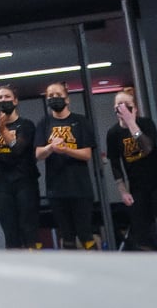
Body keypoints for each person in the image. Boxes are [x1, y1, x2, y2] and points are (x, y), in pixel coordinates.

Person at [104, 86, 157, 252]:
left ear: (134, 107)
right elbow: (115, 163)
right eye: (118, 104)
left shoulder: (146, 123)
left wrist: (131, 122)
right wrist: (123, 191)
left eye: (125, 103)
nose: (121, 107)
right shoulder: (113, 133)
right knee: (141, 231)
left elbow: (148, 147)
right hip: (136, 186)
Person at [35, 80, 97, 250]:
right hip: (56, 189)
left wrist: (66, 149)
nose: (54, 98)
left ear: (67, 99)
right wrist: (51, 147)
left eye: (58, 95)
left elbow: (86, 155)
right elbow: (38, 154)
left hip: (80, 188)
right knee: (66, 234)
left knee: (85, 234)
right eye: (50, 96)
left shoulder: (80, 121)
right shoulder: (44, 123)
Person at [0, 85, 40, 250]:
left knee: (28, 228)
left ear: (15, 101)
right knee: (10, 232)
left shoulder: (26, 125)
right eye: (0, 98)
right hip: (2, 184)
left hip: (24, 181)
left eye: (7, 97)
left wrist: (3, 130)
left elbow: (17, 149)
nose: (3, 101)